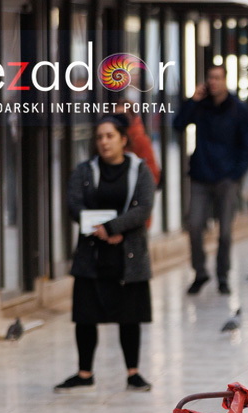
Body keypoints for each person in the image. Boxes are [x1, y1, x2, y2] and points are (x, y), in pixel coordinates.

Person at [55, 114, 156, 393]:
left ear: (123, 139)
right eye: (99, 137)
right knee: (85, 314)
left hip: (127, 254)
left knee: (129, 315)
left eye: (110, 136)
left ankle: (133, 373)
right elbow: (73, 203)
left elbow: (143, 208)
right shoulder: (85, 170)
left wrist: (113, 227)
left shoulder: (139, 169)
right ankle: (84, 372)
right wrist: (97, 228)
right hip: (92, 253)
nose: (104, 142)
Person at [172, 63, 248, 295]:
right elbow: (179, 125)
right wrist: (193, 100)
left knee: (225, 232)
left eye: (218, 77)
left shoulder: (238, 109)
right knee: (195, 225)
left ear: (226, 80)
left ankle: (223, 275)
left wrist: (236, 174)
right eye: (211, 78)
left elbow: (247, 145)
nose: (214, 82)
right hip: (200, 176)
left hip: (226, 178)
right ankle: (200, 272)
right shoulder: (201, 107)